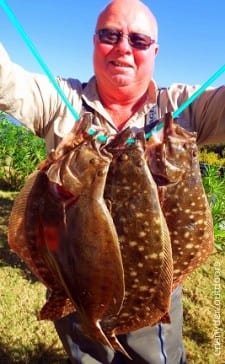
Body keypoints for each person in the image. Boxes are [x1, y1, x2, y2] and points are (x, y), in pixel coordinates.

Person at [0, 0, 225, 363]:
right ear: (94, 42)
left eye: (138, 39)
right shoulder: (62, 101)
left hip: (152, 282)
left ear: (154, 50)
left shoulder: (184, 106)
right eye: (110, 35)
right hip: (75, 275)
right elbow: (6, 81)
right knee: (86, 354)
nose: (123, 47)